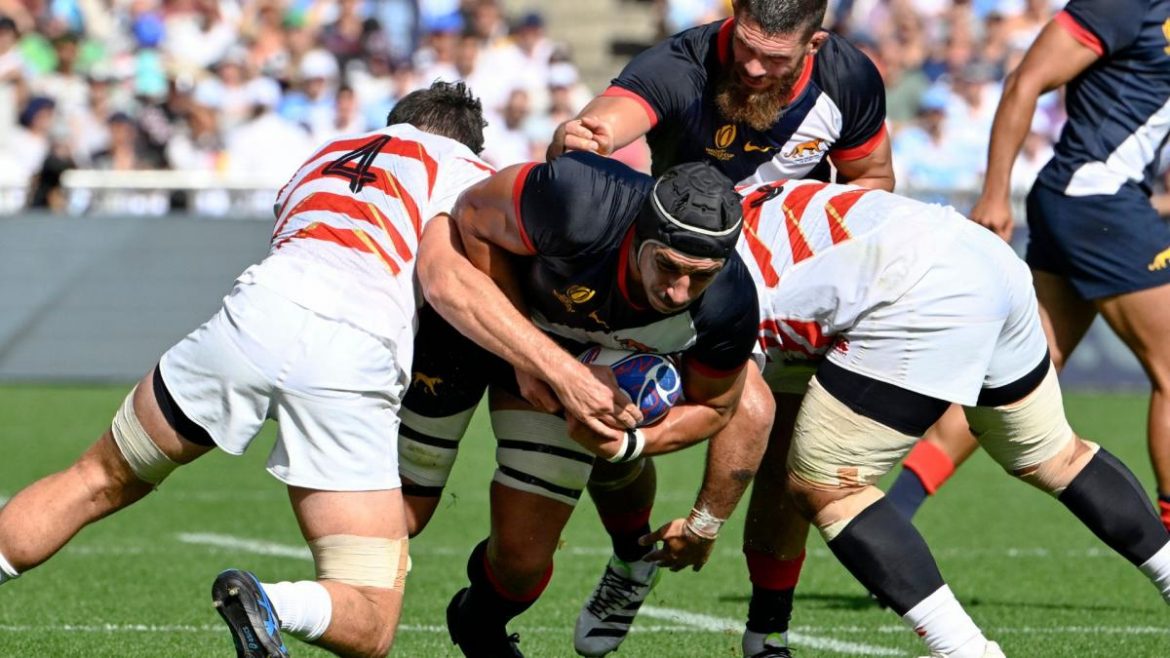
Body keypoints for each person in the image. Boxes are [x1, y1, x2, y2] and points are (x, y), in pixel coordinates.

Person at [0, 82, 638, 658]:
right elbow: (450, 285)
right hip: (346, 355)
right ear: (466, 140)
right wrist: (548, 366)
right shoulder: (466, 171)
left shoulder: (324, 155)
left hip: (247, 320)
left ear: (395, 122)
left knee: (92, 478)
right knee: (369, 618)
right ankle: (273, 604)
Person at [546, 1, 909, 654]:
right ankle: (633, 560)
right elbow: (606, 121)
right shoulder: (679, 66)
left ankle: (766, 635)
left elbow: (874, 181)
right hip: (689, 285)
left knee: (791, 464)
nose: (752, 65)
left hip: (793, 288)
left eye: (775, 57)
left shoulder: (848, 79)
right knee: (610, 414)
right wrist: (587, 135)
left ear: (815, 44)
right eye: (744, 44)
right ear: (731, 16)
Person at [740, 177, 1170, 657]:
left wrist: (703, 521)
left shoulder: (725, 281)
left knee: (826, 483)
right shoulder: (762, 200)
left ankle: (965, 650)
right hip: (983, 254)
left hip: (924, 286)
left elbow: (738, 415)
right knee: (1056, 455)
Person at [400, 152, 765, 658]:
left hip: (571, 379)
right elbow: (472, 217)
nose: (680, 290)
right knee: (403, 513)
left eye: (699, 276)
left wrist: (630, 443)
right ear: (639, 233)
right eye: (668, 266)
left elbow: (717, 408)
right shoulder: (579, 197)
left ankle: (478, 625)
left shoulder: (729, 304)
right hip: (470, 327)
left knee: (522, 561)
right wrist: (526, 350)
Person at [894, 0, 1170, 529]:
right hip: (1097, 198)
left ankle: (894, 510)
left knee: (1023, 374)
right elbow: (1025, 80)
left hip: (1096, 199)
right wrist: (995, 192)